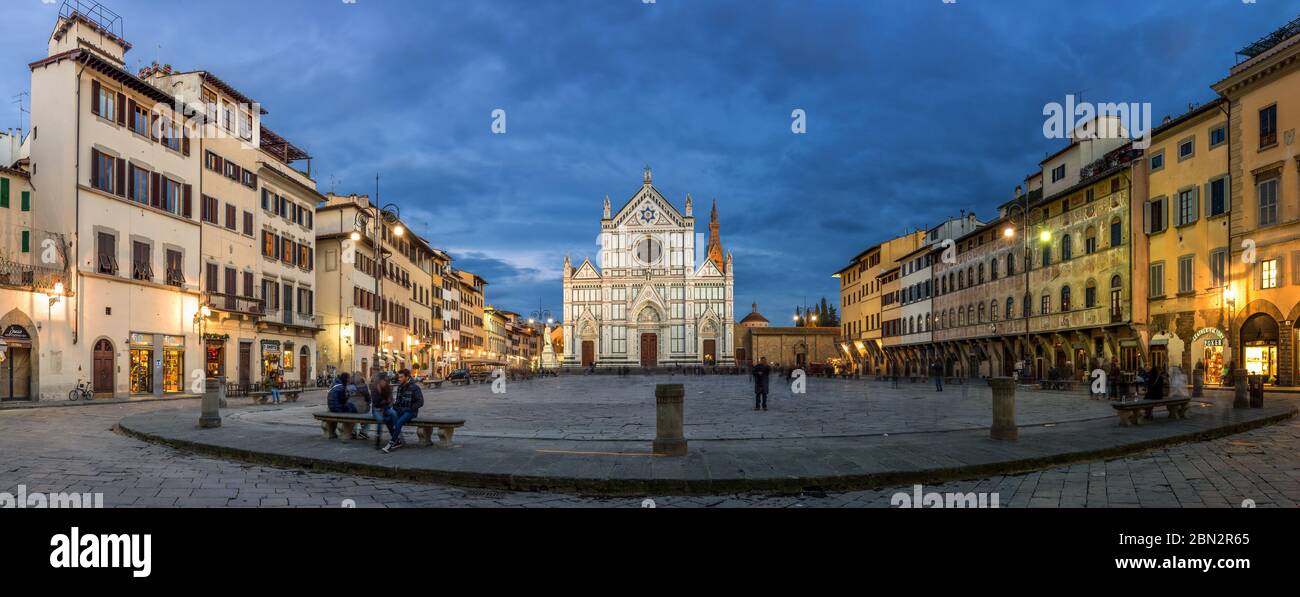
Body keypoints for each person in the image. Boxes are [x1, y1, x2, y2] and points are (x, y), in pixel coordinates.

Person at [382, 369, 425, 453]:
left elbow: (420, 402)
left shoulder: (415, 387)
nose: (399, 379)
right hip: (400, 410)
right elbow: (398, 401)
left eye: (401, 377)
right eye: (399, 377)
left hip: (411, 412)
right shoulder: (400, 387)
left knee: (398, 422)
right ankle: (397, 440)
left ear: (407, 377)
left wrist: (410, 408)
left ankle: (392, 442)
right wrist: (394, 408)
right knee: (387, 419)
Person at [369, 370, 394, 448]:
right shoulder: (374, 388)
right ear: (379, 381)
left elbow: (390, 400)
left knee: (391, 416)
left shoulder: (387, 388)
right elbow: (375, 402)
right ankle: (378, 438)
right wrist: (385, 401)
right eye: (383, 381)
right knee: (380, 419)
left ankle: (394, 436)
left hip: (385, 408)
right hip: (376, 409)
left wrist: (386, 402)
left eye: (385, 381)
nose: (384, 383)